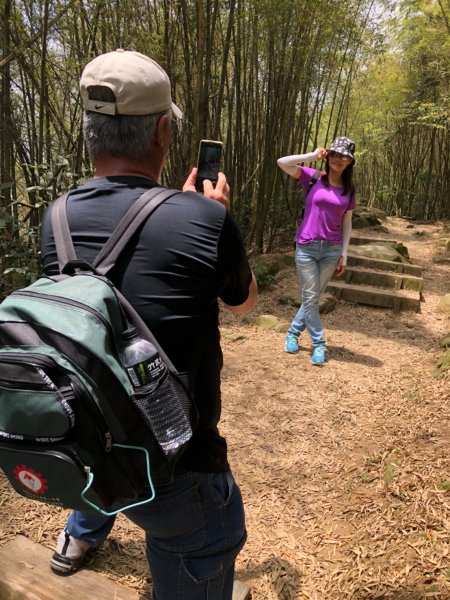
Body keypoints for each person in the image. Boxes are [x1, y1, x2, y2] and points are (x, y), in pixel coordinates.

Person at [41, 49, 257, 599]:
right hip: (178, 468)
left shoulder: (55, 217)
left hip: (88, 450)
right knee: (208, 536)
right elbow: (243, 304)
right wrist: (213, 215)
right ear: (163, 132)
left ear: (89, 134)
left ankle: (81, 535)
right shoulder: (205, 218)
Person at [277, 137, 356, 365]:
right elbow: (282, 162)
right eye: (335, 154)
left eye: (344, 156)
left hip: (332, 250)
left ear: (350, 162)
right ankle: (320, 344)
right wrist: (312, 156)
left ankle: (292, 333)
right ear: (328, 155)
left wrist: (345, 252)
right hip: (306, 247)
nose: (339, 159)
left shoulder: (349, 190)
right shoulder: (313, 177)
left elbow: (347, 222)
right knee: (311, 297)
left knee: (311, 298)